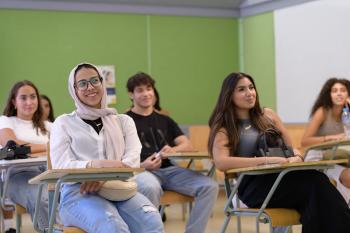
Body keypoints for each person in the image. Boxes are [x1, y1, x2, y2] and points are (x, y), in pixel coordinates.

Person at [208, 72, 350, 233]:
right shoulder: (225, 127)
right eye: (241, 90)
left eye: (251, 87)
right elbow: (221, 162)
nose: (249, 93)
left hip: (283, 178)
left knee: (315, 194)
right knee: (315, 185)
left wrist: (297, 157)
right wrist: (266, 161)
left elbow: (292, 148)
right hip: (254, 187)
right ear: (229, 95)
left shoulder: (268, 116)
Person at [50, 63, 163, 233]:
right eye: (82, 83)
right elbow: (60, 164)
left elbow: (132, 159)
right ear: (73, 89)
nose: (90, 87)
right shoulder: (63, 123)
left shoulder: (123, 121)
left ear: (102, 83)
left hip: (119, 189)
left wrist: (105, 176)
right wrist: (95, 166)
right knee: (112, 226)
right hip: (78, 192)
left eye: (94, 80)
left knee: (152, 222)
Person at [126, 72, 218, 233]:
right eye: (140, 90)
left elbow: (186, 144)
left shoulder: (165, 120)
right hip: (141, 170)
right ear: (131, 95)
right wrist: (143, 165)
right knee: (150, 187)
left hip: (169, 170)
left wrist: (172, 150)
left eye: (149, 89)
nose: (146, 94)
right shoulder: (124, 121)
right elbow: (117, 156)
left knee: (209, 186)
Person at [0, 80, 50, 231]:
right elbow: (13, 145)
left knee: (76, 196)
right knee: (43, 198)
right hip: (16, 176)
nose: (29, 102)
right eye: (23, 98)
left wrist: (28, 149)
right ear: (14, 102)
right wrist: (48, 147)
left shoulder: (49, 126)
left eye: (33, 97)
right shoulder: (5, 121)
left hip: (49, 173)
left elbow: (62, 150)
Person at [301, 78, 350, 203]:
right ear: (329, 95)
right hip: (317, 159)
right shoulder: (322, 111)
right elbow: (304, 141)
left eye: (343, 90)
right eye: (334, 91)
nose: (339, 93)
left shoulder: (347, 114)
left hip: (337, 158)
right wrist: (330, 138)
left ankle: (343, 211)